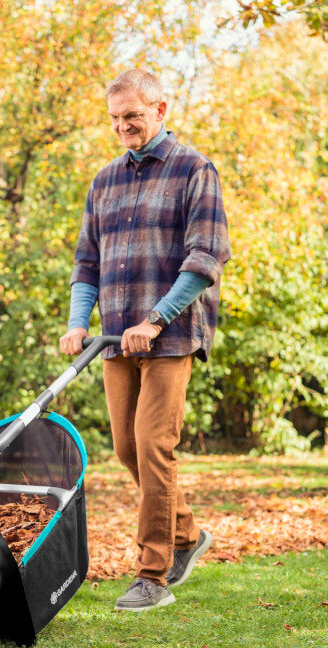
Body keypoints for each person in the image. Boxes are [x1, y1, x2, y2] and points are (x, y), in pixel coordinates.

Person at [59, 69, 231, 612]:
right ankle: (185, 532)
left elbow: (205, 260)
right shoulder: (104, 182)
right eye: (114, 118)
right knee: (126, 448)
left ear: (161, 110)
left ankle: (152, 575)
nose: (123, 126)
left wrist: (156, 319)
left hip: (172, 334)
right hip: (115, 337)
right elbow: (87, 263)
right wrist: (76, 322)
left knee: (154, 445)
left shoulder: (194, 170)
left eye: (132, 115)